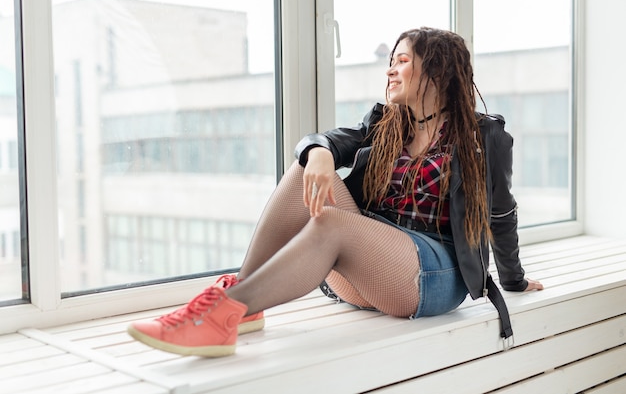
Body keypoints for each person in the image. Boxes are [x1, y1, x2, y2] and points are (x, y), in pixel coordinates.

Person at [127, 27, 544, 357]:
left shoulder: (483, 136)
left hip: (434, 272)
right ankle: (243, 298)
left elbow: (501, 216)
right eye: (390, 61)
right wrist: (321, 153)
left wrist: (514, 280)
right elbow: (324, 141)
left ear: (437, 71)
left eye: (402, 60)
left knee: (331, 224)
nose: (390, 70)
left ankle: (220, 315)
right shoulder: (386, 121)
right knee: (305, 167)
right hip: (371, 266)